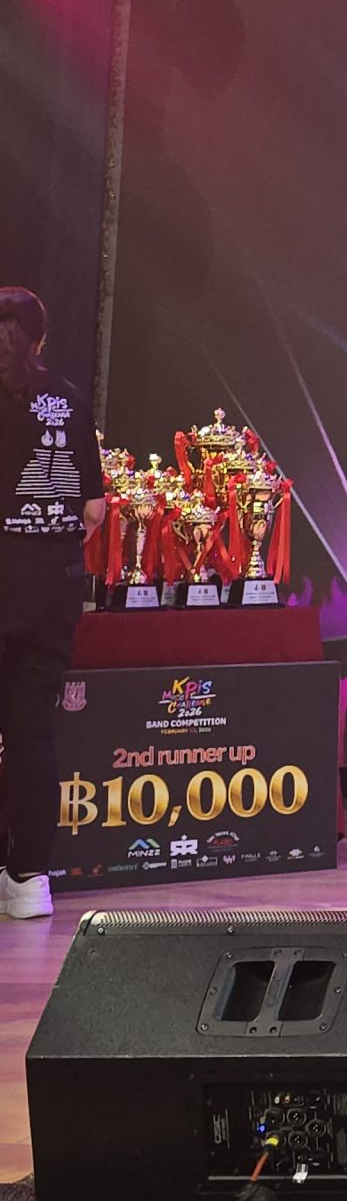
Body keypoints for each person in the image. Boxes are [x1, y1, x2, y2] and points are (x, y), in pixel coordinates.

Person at [0, 288, 107, 921]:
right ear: (42, 338)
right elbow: (93, 509)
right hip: (52, 586)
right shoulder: (68, 399)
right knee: (32, 735)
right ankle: (29, 879)